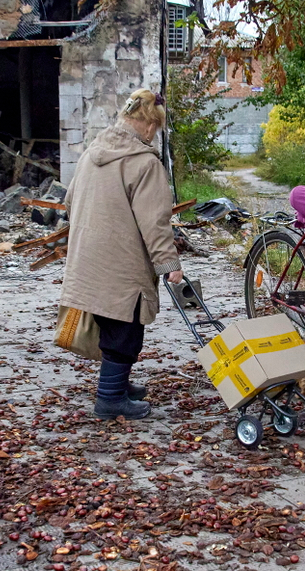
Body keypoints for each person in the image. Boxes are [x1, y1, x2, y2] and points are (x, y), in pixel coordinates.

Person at [59, 89, 183, 420]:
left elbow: (69, 202)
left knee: (110, 323)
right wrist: (168, 264)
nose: (153, 134)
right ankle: (110, 399)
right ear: (146, 124)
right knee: (126, 330)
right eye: (154, 128)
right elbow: (155, 222)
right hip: (121, 263)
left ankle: (118, 385)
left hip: (86, 259)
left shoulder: (92, 153)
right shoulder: (144, 163)